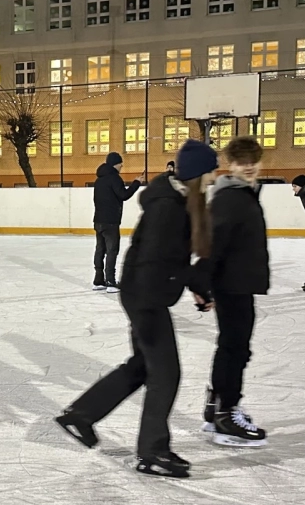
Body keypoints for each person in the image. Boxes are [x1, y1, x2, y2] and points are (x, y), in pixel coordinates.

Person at [56, 140, 218, 479]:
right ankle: (152, 452)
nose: (216, 176)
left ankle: (81, 415)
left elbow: (172, 260)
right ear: (197, 174)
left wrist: (198, 287)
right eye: (211, 170)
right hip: (146, 297)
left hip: (144, 292)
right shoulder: (168, 208)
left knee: (144, 366)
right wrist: (191, 284)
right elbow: (160, 260)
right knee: (166, 373)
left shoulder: (177, 201)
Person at [204, 136, 270, 447]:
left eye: (253, 160)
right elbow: (213, 244)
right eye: (241, 161)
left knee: (232, 346)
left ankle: (216, 405)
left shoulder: (242, 193)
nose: (248, 167)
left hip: (238, 282)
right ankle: (225, 414)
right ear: (230, 164)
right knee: (235, 348)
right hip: (232, 284)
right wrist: (205, 284)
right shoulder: (230, 198)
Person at [91, 152, 144, 292]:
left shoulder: (99, 180)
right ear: (116, 164)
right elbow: (124, 195)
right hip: (111, 221)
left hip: (98, 220)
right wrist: (136, 183)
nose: (122, 166)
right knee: (111, 250)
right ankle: (110, 280)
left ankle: (98, 280)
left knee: (100, 249)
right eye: (121, 163)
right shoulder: (114, 178)